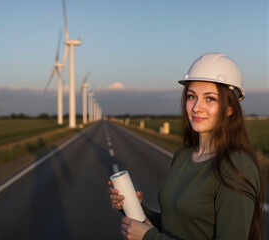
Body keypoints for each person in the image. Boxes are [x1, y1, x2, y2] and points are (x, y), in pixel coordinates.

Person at [108, 52, 263, 240]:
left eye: (210, 98)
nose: (196, 107)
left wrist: (149, 237)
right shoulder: (183, 156)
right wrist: (135, 208)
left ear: (230, 108)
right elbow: (176, 227)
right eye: (191, 96)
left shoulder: (236, 166)